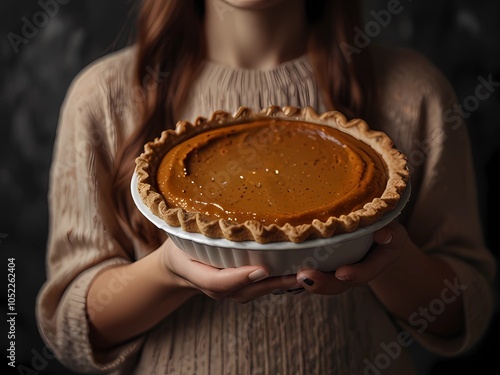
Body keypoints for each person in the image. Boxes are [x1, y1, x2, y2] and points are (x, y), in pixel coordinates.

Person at [35, 0, 497, 374]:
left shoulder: (413, 93)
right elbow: (71, 328)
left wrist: (390, 261)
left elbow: (465, 311)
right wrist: (168, 274)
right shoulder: (105, 98)